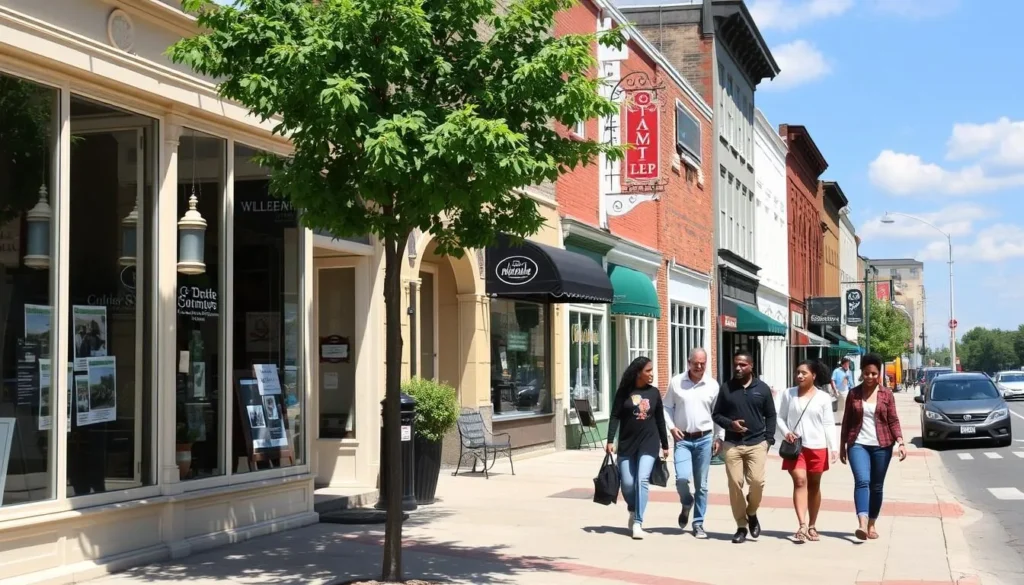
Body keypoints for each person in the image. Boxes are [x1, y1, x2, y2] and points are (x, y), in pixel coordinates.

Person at [839, 352, 907, 540]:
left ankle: (872, 524)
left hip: (882, 445)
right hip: (857, 444)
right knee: (862, 481)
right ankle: (861, 523)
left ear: (879, 374)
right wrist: (842, 445)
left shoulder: (887, 394)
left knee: (877, 486)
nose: (870, 377)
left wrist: (901, 441)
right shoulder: (854, 394)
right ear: (862, 373)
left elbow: (893, 420)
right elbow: (846, 422)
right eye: (867, 373)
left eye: (874, 374)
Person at [712, 351, 777, 544]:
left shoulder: (762, 389)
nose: (738, 368)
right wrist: (730, 424)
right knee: (735, 484)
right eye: (736, 365)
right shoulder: (726, 388)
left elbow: (771, 415)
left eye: (742, 365)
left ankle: (752, 511)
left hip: (757, 443)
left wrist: (769, 439)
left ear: (751, 366)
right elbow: (716, 414)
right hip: (732, 444)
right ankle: (741, 525)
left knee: (756, 482)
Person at [606, 356, 669, 540]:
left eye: (652, 370)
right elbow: (615, 416)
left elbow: (660, 420)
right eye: (648, 371)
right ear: (638, 373)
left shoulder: (654, 393)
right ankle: (633, 509)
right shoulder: (623, 392)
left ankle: (638, 523)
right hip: (626, 443)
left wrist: (664, 444)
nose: (652, 374)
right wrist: (610, 440)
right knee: (627, 483)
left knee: (641, 480)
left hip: (649, 443)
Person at [663, 348, 723, 539]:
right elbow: (666, 407)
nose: (699, 366)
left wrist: (719, 437)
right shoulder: (677, 382)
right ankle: (686, 502)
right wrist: (672, 427)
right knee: (681, 479)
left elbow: (718, 414)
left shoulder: (712, 385)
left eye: (702, 363)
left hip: (705, 439)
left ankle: (698, 523)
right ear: (688, 362)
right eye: (695, 363)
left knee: (702, 485)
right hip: (682, 438)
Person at [777, 360, 838, 542]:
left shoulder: (823, 398)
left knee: (814, 485)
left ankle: (812, 524)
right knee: (800, 480)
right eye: (798, 372)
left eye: (804, 373)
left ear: (814, 375)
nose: (799, 376)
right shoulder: (789, 394)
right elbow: (780, 418)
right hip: (796, 447)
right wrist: (786, 432)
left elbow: (828, 423)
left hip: (818, 447)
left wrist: (833, 447)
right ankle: (802, 524)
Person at [832, 357, 854, 422]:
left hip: (847, 390)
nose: (847, 365)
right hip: (839, 390)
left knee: (844, 405)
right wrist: (835, 389)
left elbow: (851, 382)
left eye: (848, 364)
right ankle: (842, 420)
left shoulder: (849, 371)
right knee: (842, 405)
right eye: (846, 364)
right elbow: (832, 380)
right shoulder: (837, 371)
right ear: (842, 364)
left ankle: (842, 420)